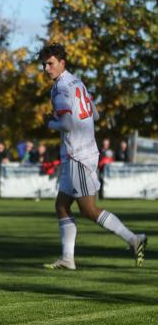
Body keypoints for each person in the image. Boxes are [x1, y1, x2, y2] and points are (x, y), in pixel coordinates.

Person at [38, 44, 147, 270]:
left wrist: (49, 122)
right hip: (80, 152)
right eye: (44, 64)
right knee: (61, 205)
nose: (46, 68)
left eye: (50, 63)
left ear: (62, 63)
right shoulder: (77, 82)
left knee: (89, 210)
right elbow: (95, 114)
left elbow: (67, 124)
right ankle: (68, 258)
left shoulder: (60, 89)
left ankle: (134, 239)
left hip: (77, 154)